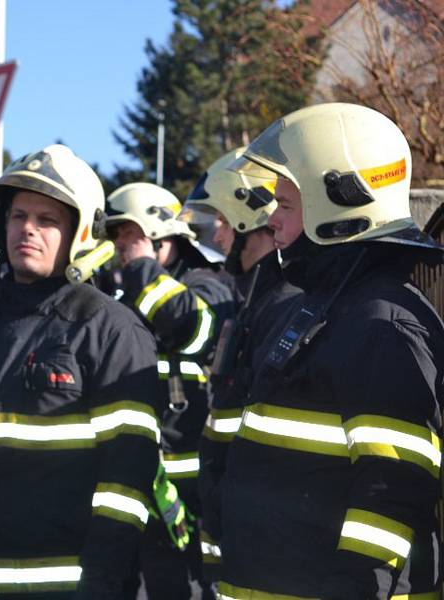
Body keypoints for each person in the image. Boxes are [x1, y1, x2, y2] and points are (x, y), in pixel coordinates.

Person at [0, 144, 160, 599]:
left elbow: (126, 485)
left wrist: (100, 584)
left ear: (80, 233)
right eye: (18, 216)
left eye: (47, 221)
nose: (28, 230)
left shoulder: (112, 331)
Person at [218, 102, 444, 599]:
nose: (271, 220)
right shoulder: (324, 308)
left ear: (337, 205)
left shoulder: (383, 325)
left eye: (286, 205)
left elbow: (391, 493)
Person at [104, 182, 235, 600]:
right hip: (130, 481)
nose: (122, 246)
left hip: (190, 491)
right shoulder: (115, 293)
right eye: (117, 236)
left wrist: (143, 269)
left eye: (131, 235)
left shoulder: (208, 283)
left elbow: (191, 331)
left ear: (159, 236)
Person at [180, 148, 301, 580]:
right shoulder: (257, 300)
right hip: (233, 521)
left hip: (256, 531)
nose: (219, 239)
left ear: (254, 220)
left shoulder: (286, 305)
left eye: (226, 224)